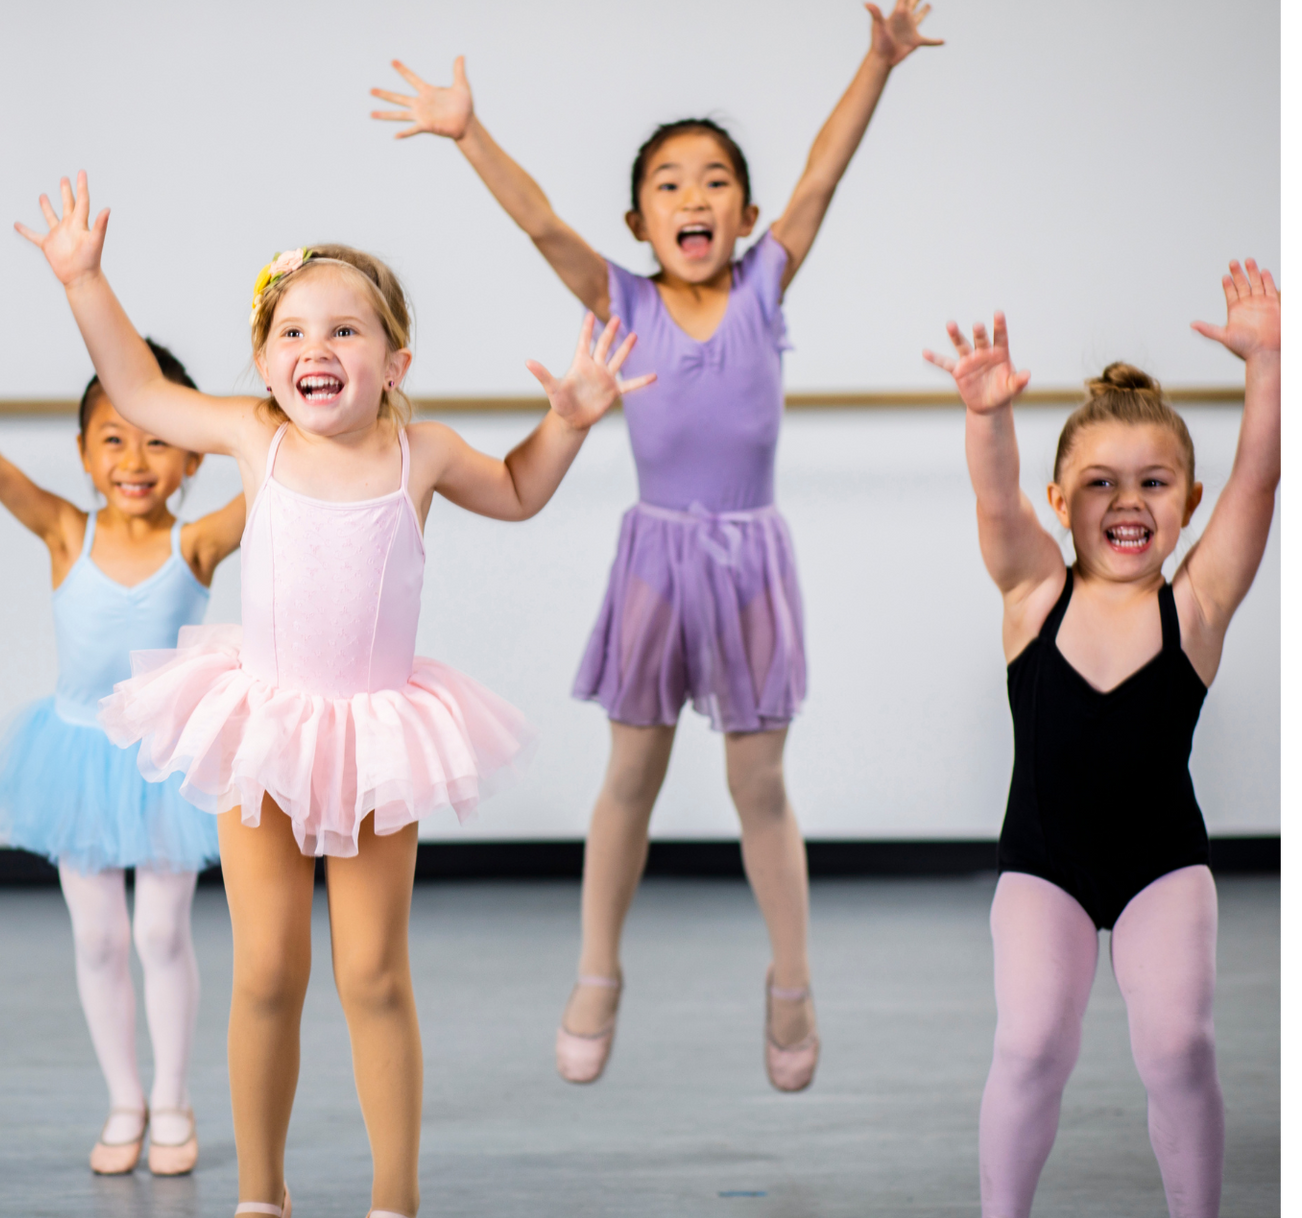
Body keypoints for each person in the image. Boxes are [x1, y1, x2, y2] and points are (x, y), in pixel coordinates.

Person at [18, 172, 651, 1218]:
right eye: (294, 332)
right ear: (268, 362)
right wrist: (85, 280)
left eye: (345, 330)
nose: (317, 347)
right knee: (267, 971)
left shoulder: (422, 452)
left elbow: (518, 490)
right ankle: (260, 1194)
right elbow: (137, 389)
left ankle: (393, 1198)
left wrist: (570, 422)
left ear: (396, 362)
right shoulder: (255, 437)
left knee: (374, 975)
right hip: (263, 727)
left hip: (374, 740)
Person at [369, 0, 943, 1090]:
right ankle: (598, 971)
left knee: (759, 787)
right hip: (656, 564)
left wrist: (877, 61)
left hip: (752, 563)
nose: (694, 197)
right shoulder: (622, 299)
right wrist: (467, 132)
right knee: (629, 777)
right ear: (639, 221)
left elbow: (823, 175)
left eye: (715, 181)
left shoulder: (764, 286)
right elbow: (542, 224)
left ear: (747, 215)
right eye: (670, 184)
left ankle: (791, 983)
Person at [925, 261, 1279, 1218]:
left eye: (1154, 483)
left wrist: (1267, 366)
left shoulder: (1195, 607)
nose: (1128, 502)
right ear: (1060, 500)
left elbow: (1259, 480)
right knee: (1031, 1044)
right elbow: (996, 504)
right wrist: (987, 416)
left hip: (1163, 865)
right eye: (1100, 484)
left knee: (1180, 1050)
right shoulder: (1034, 595)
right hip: (1046, 867)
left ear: (1189, 502)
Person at [0, 332, 244, 1176]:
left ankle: (172, 1099)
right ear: (84, 452)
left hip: (165, 764)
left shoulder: (195, 543)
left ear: (195, 457)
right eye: (113, 439)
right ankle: (124, 1099)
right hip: (75, 761)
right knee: (98, 941)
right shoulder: (64, 533)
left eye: (159, 440)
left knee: (161, 933)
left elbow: (280, 481)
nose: (134, 460)